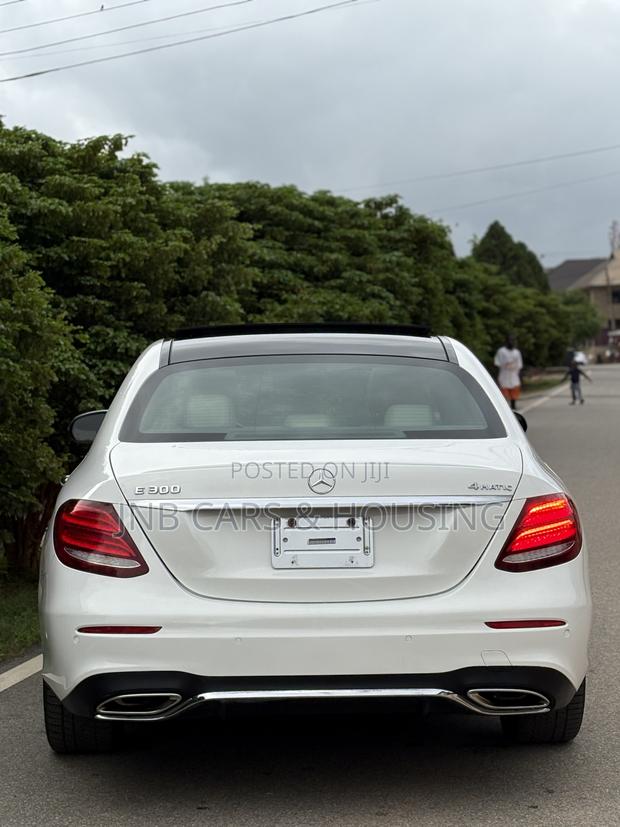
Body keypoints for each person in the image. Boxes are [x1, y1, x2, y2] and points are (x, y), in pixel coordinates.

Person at [494, 335, 523, 410]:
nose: (512, 342)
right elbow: (497, 363)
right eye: (510, 340)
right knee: (504, 391)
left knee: (514, 390)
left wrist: (519, 374)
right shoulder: (501, 351)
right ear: (506, 341)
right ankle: (505, 407)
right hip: (504, 375)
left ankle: (513, 405)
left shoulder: (517, 352)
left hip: (514, 375)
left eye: (513, 341)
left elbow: (519, 365)